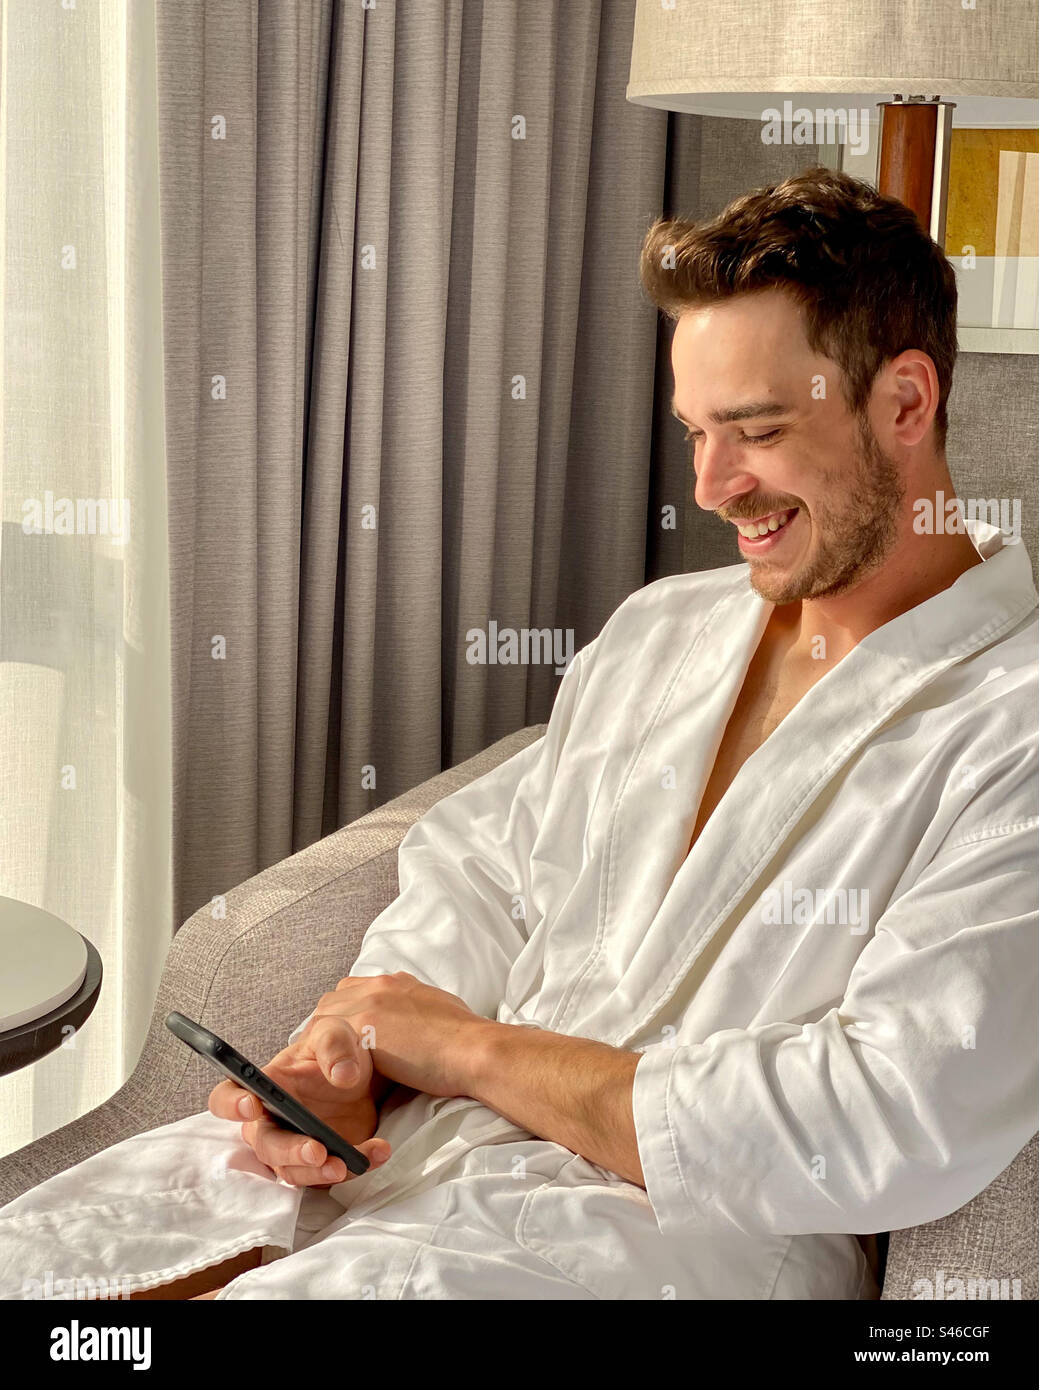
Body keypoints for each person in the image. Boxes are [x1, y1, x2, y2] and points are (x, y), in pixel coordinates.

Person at [2, 166, 1038, 1301]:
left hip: (662, 1243)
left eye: (754, 430)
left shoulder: (1008, 723)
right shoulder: (663, 631)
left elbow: (887, 1106)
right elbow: (487, 869)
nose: (708, 484)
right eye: (693, 431)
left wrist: (471, 1052)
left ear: (904, 402)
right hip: (418, 1158)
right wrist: (355, 1057)